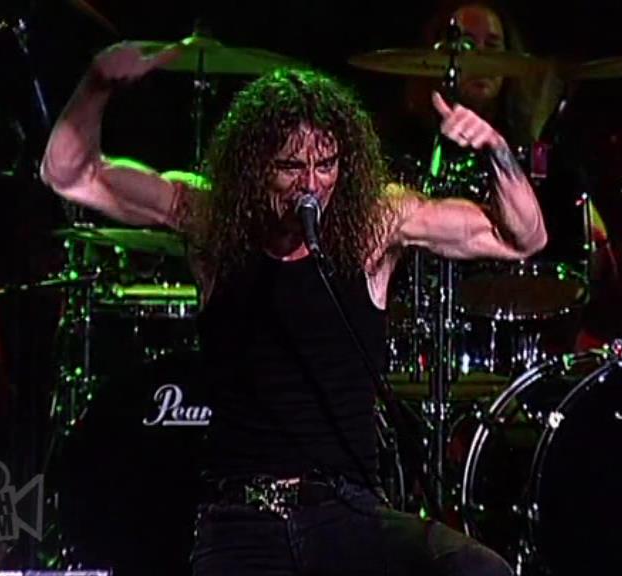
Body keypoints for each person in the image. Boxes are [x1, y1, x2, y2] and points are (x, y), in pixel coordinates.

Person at [41, 41, 546, 575]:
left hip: (348, 512)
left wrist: (496, 150)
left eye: (326, 165)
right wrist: (96, 84)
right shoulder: (211, 220)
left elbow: (522, 238)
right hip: (241, 520)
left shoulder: (376, 225)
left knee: (481, 569)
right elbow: (70, 176)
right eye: (290, 167)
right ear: (255, 166)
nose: (311, 184)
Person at [396, 0, 620, 353]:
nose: (482, 59)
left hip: (525, 321)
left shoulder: (532, 150)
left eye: (492, 46)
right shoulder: (411, 145)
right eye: (466, 44)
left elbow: (576, 245)